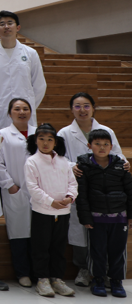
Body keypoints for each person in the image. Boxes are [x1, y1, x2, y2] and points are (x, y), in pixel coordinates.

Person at [59, 92, 124, 288]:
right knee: (80, 230)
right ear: (71, 109)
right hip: (78, 187)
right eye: (77, 106)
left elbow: (118, 155)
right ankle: (84, 269)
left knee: (103, 232)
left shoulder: (106, 131)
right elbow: (59, 159)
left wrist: (125, 164)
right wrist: (71, 166)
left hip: (103, 190)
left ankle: (104, 271)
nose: (82, 110)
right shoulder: (64, 133)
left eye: (86, 105)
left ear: (93, 108)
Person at [76, 128, 132, 298]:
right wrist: (85, 217)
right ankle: (98, 279)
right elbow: (82, 195)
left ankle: (116, 281)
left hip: (119, 217)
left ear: (111, 146)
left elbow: (130, 191)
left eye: (106, 144)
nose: (102, 147)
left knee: (118, 250)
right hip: (96, 218)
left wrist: (130, 215)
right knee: (97, 251)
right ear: (89, 146)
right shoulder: (84, 167)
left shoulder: (121, 165)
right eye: (97, 144)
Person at [25, 124, 77, 298]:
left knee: (58, 247)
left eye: (49, 139)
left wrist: (70, 197)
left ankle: (57, 279)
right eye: (41, 139)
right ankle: (42, 279)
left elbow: (72, 183)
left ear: (55, 142)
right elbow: (33, 188)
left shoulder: (63, 161)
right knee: (41, 246)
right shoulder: (32, 161)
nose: (45, 143)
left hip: (63, 212)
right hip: (42, 211)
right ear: (35, 141)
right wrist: (50, 202)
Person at [0, 10, 47, 128]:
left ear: (18, 27)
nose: (6, 27)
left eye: (10, 23)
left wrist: (27, 107)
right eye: (2, 24)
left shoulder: (30, 53)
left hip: (24, 111)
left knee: (26, 138)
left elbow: (39, 85)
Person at [0, 98, 37, 288]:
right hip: (15, 189)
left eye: (25, 109)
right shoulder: (3, 134)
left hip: (38, 191)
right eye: (17, 109)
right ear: (9, 113)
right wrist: (10, 185)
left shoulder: (39, 133)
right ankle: (23, 273)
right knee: (19, 233)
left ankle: (38, 273)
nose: (22, 112)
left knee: (38, 234)